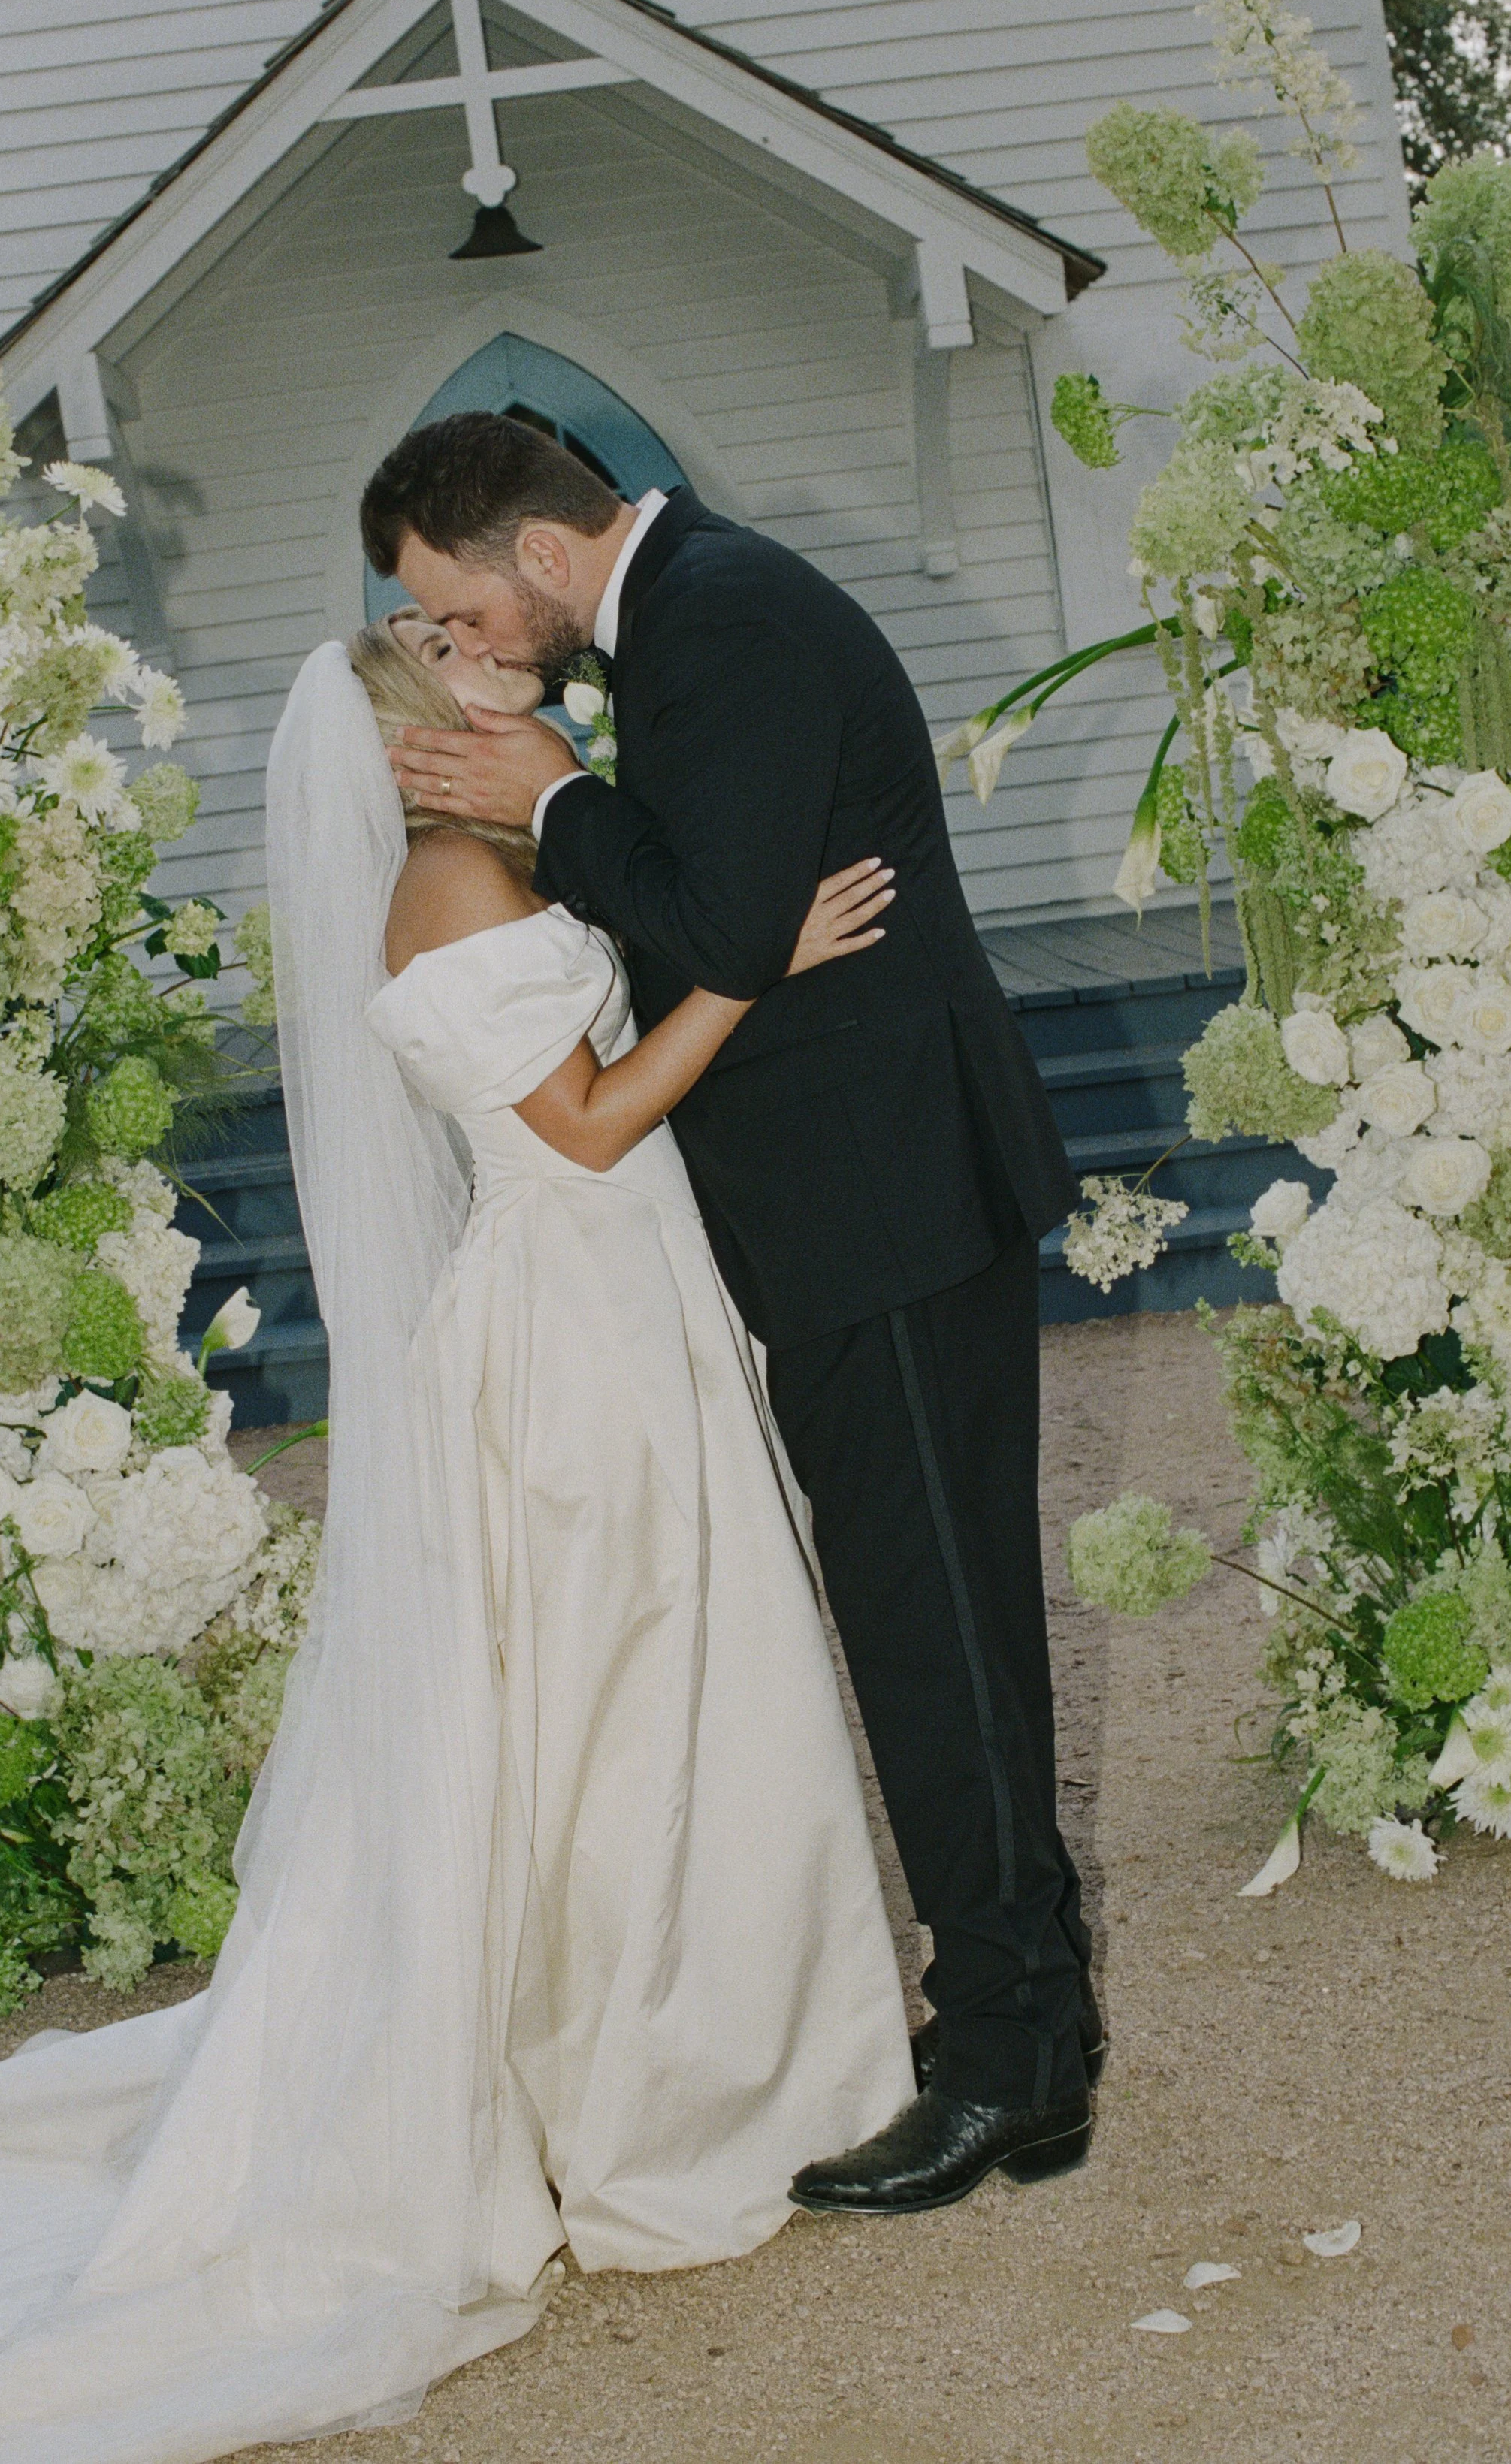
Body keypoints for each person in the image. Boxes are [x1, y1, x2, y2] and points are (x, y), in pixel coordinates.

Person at [0, 623, 911, 2464]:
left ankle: (710, 2043)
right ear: (414, 740)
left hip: (622, 1290)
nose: (500, 671)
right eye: (458, 668)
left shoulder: (505, 852)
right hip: (568, 1312)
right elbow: (579, 1127)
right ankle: (644, 2078)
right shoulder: (438, 887)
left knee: (668, 1674)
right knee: (621, 1679)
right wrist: (752, 969)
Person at [370, 412, 1101, 2217]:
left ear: (540, 555)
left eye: (451, 607)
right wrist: (573, 811)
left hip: (885, 1207)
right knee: (935, 1629)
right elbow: (737, 922)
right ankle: (1022, 2025)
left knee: (936, 1637)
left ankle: (1011, 2061)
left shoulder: (722, 620)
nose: (452, 646)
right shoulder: (693, 610)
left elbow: (724, 912)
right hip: (861, 1205)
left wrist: (543, 798)